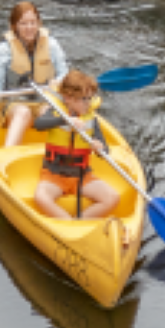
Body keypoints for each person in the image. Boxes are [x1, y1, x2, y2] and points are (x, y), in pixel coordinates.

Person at [31, 69, 122, 221]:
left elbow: (105, 149)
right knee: (41, 197)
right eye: (84, 99)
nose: (89, 103)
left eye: (90, 98)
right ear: (68, 98)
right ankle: (68, 223)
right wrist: (65, 120)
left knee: (112, 197)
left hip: (82, 175)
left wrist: (100, 148)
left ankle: (78, 222)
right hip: (54, 174)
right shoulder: (56, 112)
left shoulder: (91, 119)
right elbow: (39, 124)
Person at [0, 1, 65, 146]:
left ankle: (63, 153)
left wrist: (58, 81)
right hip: (14, 103)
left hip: (45, 100)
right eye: (23, 23)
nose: (29, 28)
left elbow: (64, 75)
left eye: (32, 22)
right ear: (14, 26)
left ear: (38, 23)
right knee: (23, 113)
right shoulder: (3, 50)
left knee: (51, 113)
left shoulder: (52, 45)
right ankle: (8, 153)